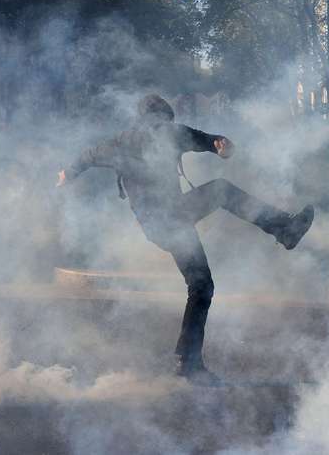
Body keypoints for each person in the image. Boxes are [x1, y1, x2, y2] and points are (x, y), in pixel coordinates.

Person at [56, 94, 314, 384]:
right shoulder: (171, 132)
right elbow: (211, 141)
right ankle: (284, 229)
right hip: (173, 216)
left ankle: (188, 360)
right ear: (165, 116)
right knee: (221, 191)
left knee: (201, 285)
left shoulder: (118, 141)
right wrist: (222, 146)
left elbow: (89, 155)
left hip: (158, 226)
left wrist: (68, 173)